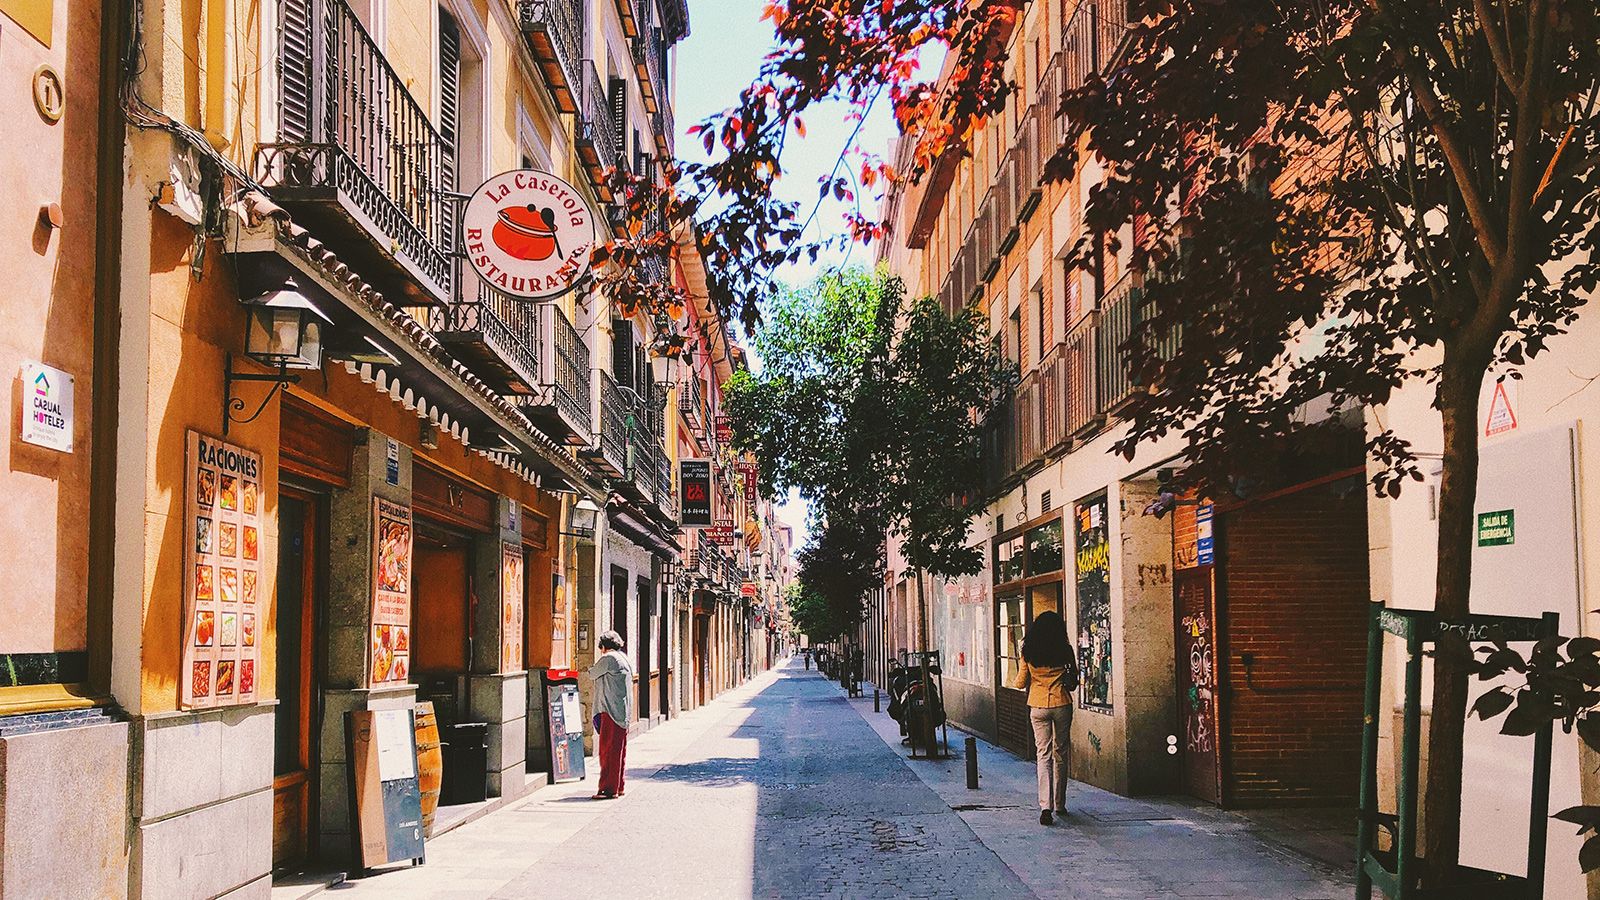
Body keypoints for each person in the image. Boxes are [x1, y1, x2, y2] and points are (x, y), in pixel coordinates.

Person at [1011, 610, 1079, 825]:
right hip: (1061, 703)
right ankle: (1060, 803)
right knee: (1060, 752)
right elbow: (1074, 678)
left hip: (1038, 705)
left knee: (1043, 754)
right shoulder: (1065, 649)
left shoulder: (1028, 650)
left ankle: (1045, 807)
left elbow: (1020, 682)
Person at [588, 630, 634, 799]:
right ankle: (619, 786)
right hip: (623, 711)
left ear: (603, 645)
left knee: (608, 751)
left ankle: (608, 789)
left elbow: (592, 673)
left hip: (610, 711)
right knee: (619, 751)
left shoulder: (609, 658)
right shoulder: (624, 658)